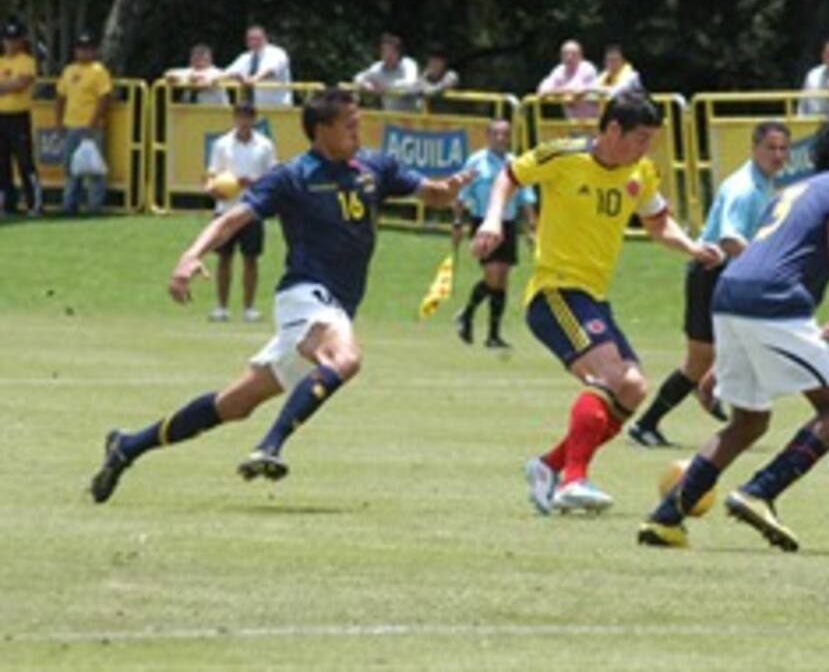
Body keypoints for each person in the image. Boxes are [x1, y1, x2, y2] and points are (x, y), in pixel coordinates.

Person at [90, 89, 472, 503]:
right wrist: (190, 255)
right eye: (350, 125)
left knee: (234, 404)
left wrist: (448, 189)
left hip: (335, 306)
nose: (358, 131)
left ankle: (128, 446)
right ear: (322, 129)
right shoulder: (293, 176)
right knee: (345, 359)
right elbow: (234, 217)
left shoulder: (374, 166)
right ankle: (269, 447)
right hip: (304, 294)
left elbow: (430, 193)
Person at [636, 114, 829, 551]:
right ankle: (760, 491)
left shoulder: (791, 188)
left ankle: (666, 518)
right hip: (772, 299)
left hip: (729, 292)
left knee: (748, 421)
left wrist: (729, 359)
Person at [472, 91, 722, 514]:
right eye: (639, 138)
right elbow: (509, 176)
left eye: (650, 140)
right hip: (555, 292)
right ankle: (573, 480)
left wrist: (693, 247)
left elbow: (658, 223)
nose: (645, 148)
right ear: (611, 130)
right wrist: (494, 217)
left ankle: (549, 466)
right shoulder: (563, 155)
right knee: (608, 377)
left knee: (632, 388)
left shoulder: (640, 172)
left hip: (593, 298)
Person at [627, 120, 791, 448]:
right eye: (770, 148)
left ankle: (711, 393)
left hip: (729, 275)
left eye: (783, 148)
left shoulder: (765, 184)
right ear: (754, 149)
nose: (778, 155)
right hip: (711, 272)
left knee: (737, 347)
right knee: (701, 359)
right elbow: (730, 239)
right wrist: (765, 269)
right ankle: (651, 422)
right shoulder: (745, 188)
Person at [452, 119, 537, 348]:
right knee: (492, 275)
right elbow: (462, 194)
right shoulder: (476, 161)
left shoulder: (515, 163)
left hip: (508, 224)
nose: (500, 138)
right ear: (488, 136)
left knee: (502, 281)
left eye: (505, 134)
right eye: (496, 134)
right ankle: (467, 314)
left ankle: (492, 334)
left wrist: (531, 225)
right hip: (484, 223)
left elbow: (526, 197)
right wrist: (458, 222)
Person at [205, 103, 278, 323]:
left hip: (252, 208)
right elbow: (212, 173)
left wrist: (252, 183)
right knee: (224, 258)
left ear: (254, 119)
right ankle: (221, 306)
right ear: (234, 118)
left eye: (247, 117)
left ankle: (249, 307)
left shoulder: (264, 145)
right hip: (226, 209)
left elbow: (273, 175)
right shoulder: (222, 144)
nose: (243, 121)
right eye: (239, 116)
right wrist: (214, 189)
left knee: (251, 258)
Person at [56, 31, 112, 216]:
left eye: (88, 49)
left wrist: (94, 122)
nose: (84, 52)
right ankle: (69, 206)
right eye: (81, 49)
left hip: (91, 126)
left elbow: (104, 97)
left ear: (94, 51)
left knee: (94, 168)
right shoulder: (68, 70)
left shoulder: (99, 71)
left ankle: (94, 206)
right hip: (71, 124)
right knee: (71, 168)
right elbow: (61, 97)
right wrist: (59, 121)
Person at [0, 20, 41, 216]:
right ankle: (8, 203)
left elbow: (21, 84)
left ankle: (34, 202)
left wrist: (5, 86)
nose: (10, 44)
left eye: (14, 40)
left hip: (18, 116)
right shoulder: (1, 61)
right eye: (8, 39)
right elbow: (12, 84)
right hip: (1, 116)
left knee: (24, 161)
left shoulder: (26, 61)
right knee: (2, 162)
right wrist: (9, 85)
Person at [225, 24, 292, 107]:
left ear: (265, 38)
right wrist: (212, 79)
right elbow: (229, 71)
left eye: (258, 39)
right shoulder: (245, 57)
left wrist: (255, 79)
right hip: (256, 107)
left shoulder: (277, 53)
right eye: (250, 39)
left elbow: (271, 70)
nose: (254, 42)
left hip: (278, 106)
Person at [353, 33, 421, 111]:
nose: (387, 55)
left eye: (391, 51)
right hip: (389, 117)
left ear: (398, 53)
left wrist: (386, 86)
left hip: (414, 117)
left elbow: (411, 83)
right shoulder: (377, 68)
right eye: (384, 51)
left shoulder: (408, 64)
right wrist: (366, 85)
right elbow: (358, 77)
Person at [536, 39, 599, 120]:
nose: (569, 57)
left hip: (593, 121)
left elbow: (578, 91)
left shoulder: (587, 68)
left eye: (573, 54)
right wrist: (565, 91)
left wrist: (553, 92)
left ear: (581, 56)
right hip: (571, 123)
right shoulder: (559, 70)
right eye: (565, 54)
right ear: (561, 56)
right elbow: (542, 90)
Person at [163, 44, 230, 105]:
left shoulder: (217, 72)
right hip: (188, 112)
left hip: (215, 111)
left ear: (210, 60)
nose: (200, 63)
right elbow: (168, 73)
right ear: (191, 60)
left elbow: (226, 76)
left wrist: (205, 81)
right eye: (197, 59)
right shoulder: (189, 71)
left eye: (203, 59)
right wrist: (185, 79)